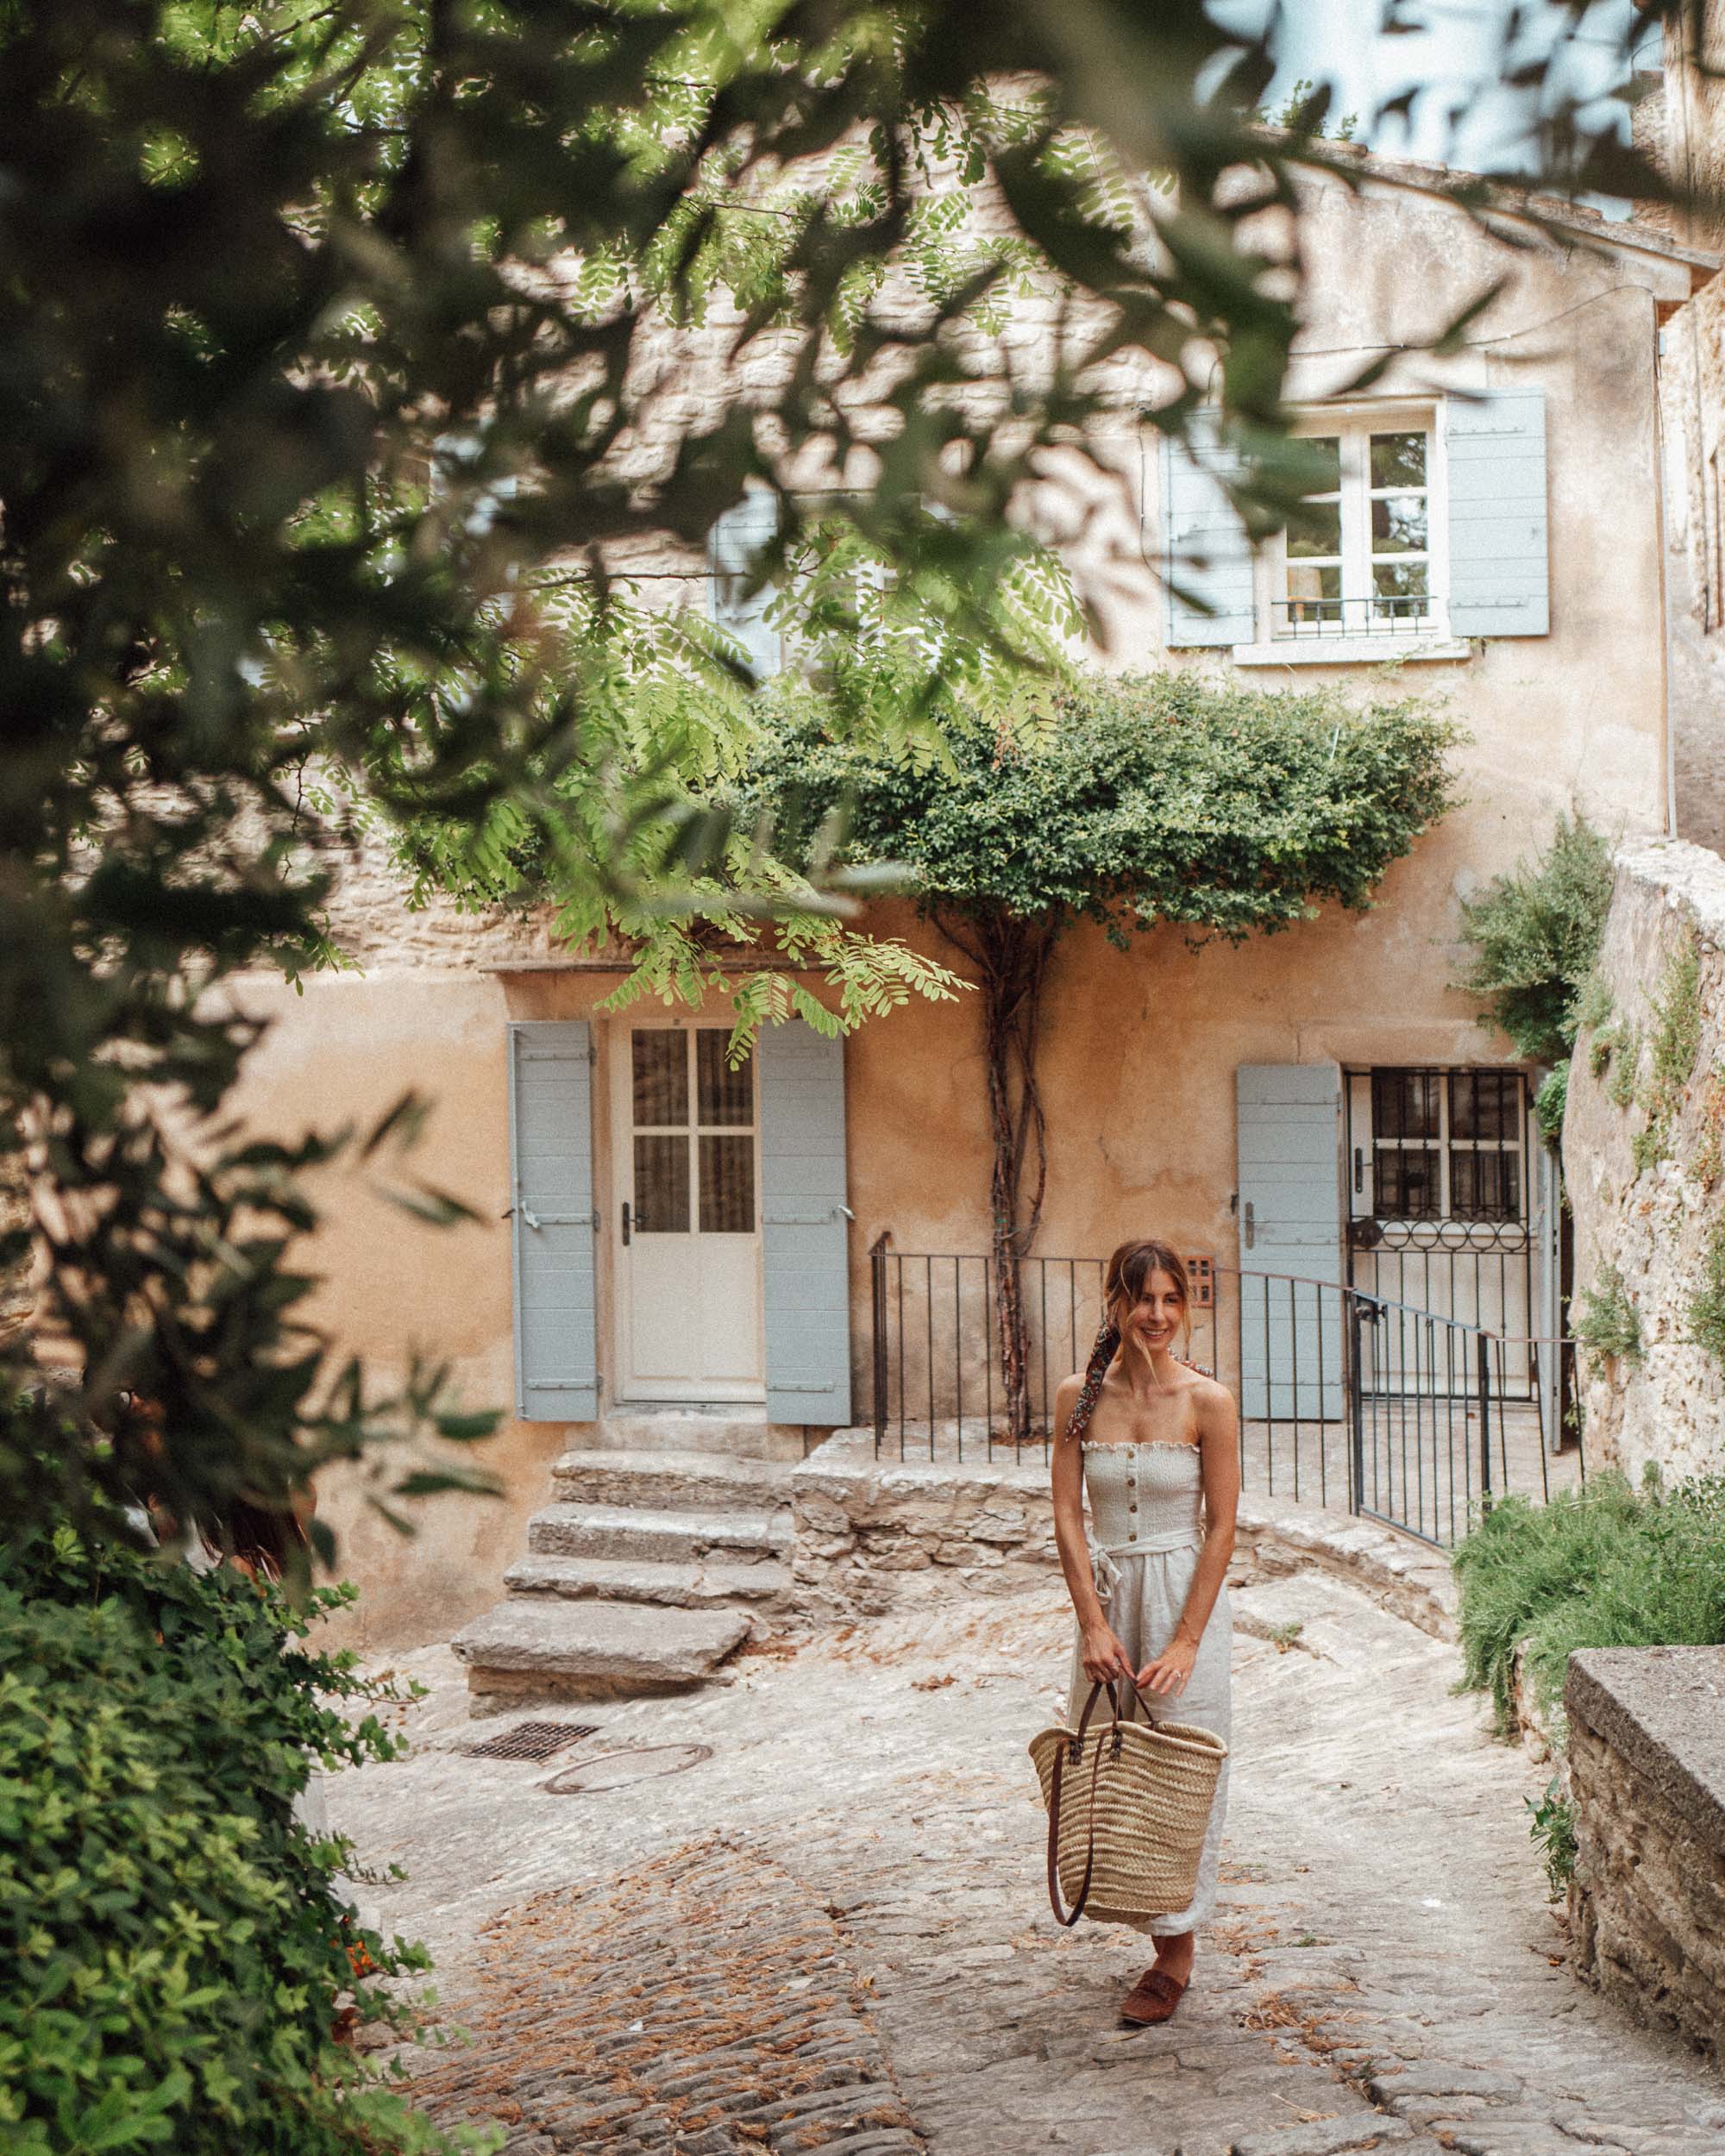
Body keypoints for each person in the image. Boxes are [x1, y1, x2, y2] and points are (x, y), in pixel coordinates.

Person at [1050, 1238, 1239, 2028]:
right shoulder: (1077, 1398)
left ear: (1183, 1308)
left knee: (1185, 1766)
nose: (1157, 1315)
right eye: (1142, 1299)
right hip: (1109, 1597)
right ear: (1115, 1302)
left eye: (1171, 1300)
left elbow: (1224, 1525)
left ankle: (1174, 1953)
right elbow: (1065, 1513)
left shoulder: (1209, 1402)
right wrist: (1091, 1623)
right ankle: (1136, 1902)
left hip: (1181, 1595)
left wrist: (1189, 1639)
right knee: (1105, 1762)